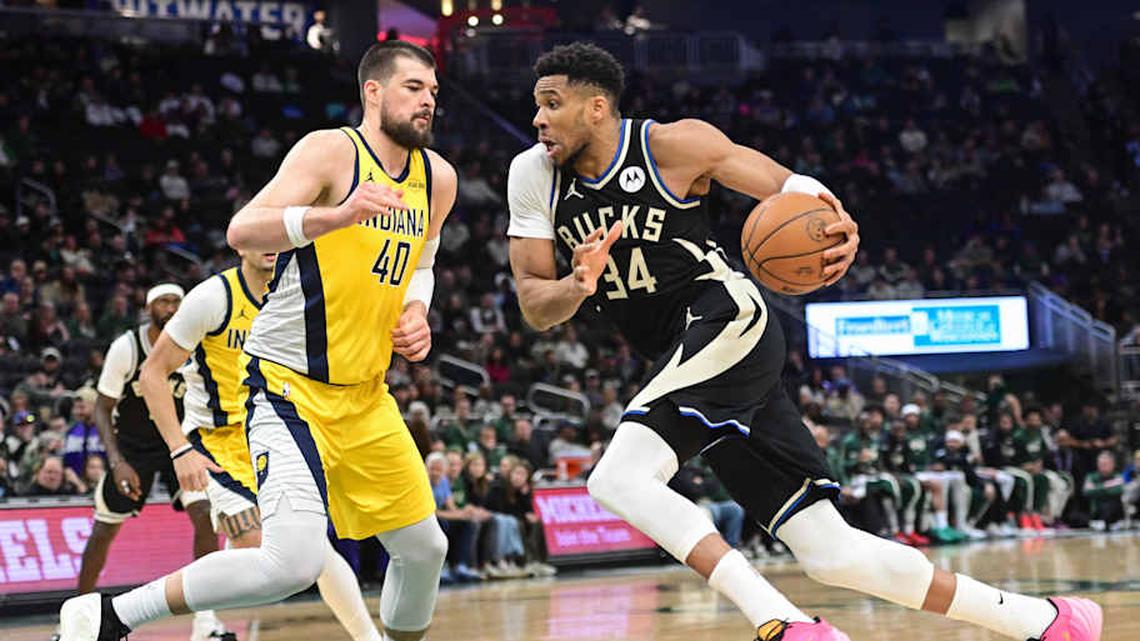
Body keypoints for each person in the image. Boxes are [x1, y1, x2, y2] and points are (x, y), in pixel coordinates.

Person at [505, 42, 1100, 641]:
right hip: (686, 356)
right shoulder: (533, 175)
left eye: (552, 104)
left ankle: (782, 623)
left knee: (616, 479)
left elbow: (789, 187)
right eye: (537, 105)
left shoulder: (672, 145)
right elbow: (534, 304)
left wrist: (837, 223)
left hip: (727, 319)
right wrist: (576, 284)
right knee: (832, 553)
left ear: (597, 108)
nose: (538, 119)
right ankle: (1049, 621)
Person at [60, 41, 458, 641]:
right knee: (291, 563)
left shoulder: (439, 178)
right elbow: (242, 228)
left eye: (433, 91)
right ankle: (108, 615)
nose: (428, 100)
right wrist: (335, 216)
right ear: (373, 92)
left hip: (366, 395)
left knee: (426, 549)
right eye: (413, 88)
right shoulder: (330, 152)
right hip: (288, 388)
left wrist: (417, 310)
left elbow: (421, 263)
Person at [134, 250, 384, 641]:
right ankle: (129, 612)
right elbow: (151, 374)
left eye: (279, 236)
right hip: (215, 441)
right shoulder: (214, 297)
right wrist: (179, 450)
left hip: (275, 428)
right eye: (261, 235)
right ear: (240, 242)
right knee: (264, 542)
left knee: (312, 549)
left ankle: (194, 624)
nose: (270, 245)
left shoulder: (302, 289)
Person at [68, 284, 234, 641]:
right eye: (163, 302)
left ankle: (206, 622)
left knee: (205, 515)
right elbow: (102, 408)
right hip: (132, 448)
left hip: (180, 442)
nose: (171, 307)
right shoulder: (127, 347)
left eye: (176, 301)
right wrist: (116, 462)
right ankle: (76, 619)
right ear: (148, 308)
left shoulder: (197, 342)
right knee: (104, 530)